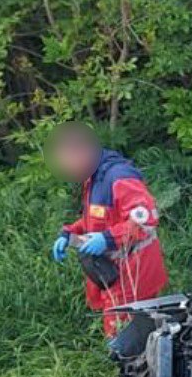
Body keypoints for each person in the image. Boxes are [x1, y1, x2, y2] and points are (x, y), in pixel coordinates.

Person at [47, 122, 168, 338]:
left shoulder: (119, 178)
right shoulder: (94, 177)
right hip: (114, 271)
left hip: (134, 272)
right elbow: (97, 219)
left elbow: (145, 219)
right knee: (127, 333)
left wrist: (108, 238)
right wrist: (69, 234)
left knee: (124, 337)